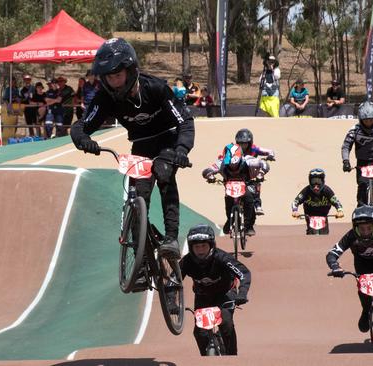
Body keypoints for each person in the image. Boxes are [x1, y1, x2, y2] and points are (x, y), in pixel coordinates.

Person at [71, 38, 195, 259]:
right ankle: (142, 254)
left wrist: (182, 150)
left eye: (118, 75)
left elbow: (185, 121)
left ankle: (171, 239)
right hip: (141, 145)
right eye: (109, 77)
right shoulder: (105, 97)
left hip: (167, 141)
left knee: (165, 175)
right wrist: (83, 139)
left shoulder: (156, 88)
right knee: (137, 195)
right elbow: (81, 126)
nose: (114, 82)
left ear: (130, 71)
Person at [180, 224, 251, 356]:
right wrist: (172, 302)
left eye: (204, 246)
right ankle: (206, 359)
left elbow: (244, 273)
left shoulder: (222, 258)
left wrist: (242, 293)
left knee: (226, 323)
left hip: (225, 294)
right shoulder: (187, 262)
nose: (200, 250)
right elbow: (173, 282)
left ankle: (231, 357)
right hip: (202, 297)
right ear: (191, 248)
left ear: (211, 246)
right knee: (200, 332)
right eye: (197, 247)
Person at [202, 144, 266, 236]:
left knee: (249, 200)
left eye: (236, 165)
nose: (233, 168)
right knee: (228, 201)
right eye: (230, 166)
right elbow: (207, 170)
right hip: (229, 185)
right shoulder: (221, 162)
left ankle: (248, 226)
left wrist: (261, 174)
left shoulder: (248, 160)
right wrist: (210, 176)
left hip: (245, 183)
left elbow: (264, 164)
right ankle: (229, 220)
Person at [291, 168, 344, 235]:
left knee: (324, 234)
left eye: (318, 182)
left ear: (323, 181)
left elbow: (337, 202)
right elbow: (295, 202)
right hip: (310, 215)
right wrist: (295, 211)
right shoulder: (306, 191)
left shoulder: (327, 191)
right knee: (311, 232)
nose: (316, 186)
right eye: (313, 182)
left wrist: (340, 211)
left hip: (323, 215)